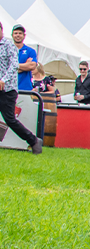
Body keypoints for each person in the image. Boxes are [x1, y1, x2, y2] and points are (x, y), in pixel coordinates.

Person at [0, 22, 43, 154]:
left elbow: (13, 66)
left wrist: (3, 80)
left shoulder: (9, 46)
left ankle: (33, 141)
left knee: (10, 119)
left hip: (7, 89)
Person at [11, 25, 37, 91]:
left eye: (20, 33)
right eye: (16, 33)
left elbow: (32, 66)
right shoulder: (7, 50)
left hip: (25, 88)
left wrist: (12, 66)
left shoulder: (30, 51)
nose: (18, 35)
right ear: (12, 35)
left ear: (24, 35)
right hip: (9, 88)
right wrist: (25, 66)